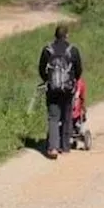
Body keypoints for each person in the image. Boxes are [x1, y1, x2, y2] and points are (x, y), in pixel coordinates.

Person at [38, 24, 83, 158]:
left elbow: (41, 68)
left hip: (52, 89)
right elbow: (79, 69)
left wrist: (48, 80)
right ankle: (65, 147)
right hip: (68, 89)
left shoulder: (47, 49)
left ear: (55, 36)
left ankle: (52, 148)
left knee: (53, 117)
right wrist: (74, 80)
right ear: (67, 35)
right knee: (67, 116)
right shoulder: (73, 50)